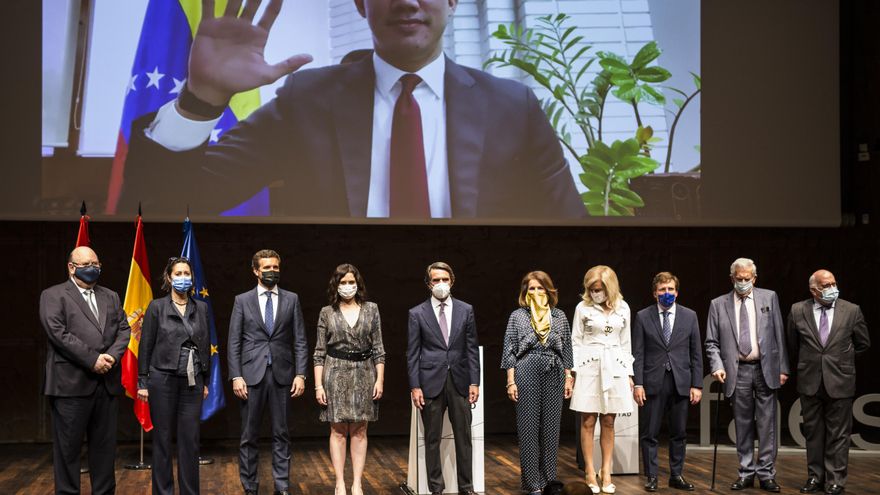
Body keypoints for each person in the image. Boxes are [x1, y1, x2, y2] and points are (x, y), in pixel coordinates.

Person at [121, 0, 585, 219]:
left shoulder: (513, 108)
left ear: (452, 1)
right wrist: (200, 99)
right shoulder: (307, 101)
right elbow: (167, 204)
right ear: (361, 4)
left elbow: (570, 233)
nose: (406, 2)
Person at [39, 246, 131, 495]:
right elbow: (58, 334)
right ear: (72, 267)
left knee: (104, 450)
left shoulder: (110, 296)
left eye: (97, 263)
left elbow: (124, 329)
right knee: (68, 451)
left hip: (107, 384)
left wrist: (110, 356)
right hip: (70, 386)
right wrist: (93, 360)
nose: (94, 268)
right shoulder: (53, 295)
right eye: (87, 263)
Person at [227, 249, 309, 495]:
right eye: (267, 268)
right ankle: (250, 486)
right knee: (249, 435)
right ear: (255, 271)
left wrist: (301, 374)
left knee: (281, 433)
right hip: (251, 376)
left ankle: (282, 486)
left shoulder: (291, 299)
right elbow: (233, 342)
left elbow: (300, 340)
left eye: (276, 267)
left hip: (283, 375)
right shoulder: (242, 300)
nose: (272, 271)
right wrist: (236, 376)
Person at [704, 258, 788, 492]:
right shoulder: (718, 304)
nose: (743, 283)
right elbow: (711, 342)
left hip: (765, 368)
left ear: (754, 278)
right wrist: (717, 365)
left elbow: (779, 334)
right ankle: (746, 471)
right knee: (742, 424)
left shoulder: (769, 297)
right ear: (732, 278)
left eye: (747, 279)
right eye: (738, 279)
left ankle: (767, 474)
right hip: (737, 369)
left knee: (767, 425)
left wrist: (783, 368)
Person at [786, 270, 870, 495]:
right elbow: (792, 346)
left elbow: (863, 344)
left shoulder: (851, 310)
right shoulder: (797, 310)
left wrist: (842, 361)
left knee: (839, 434)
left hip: (840, 380)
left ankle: (836, 480)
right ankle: (815, 477)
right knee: (813, 433)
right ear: (814, 290)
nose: (832, 287)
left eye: (834, 283)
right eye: (826, 285)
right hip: (810, 380)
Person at [137, 257, 210, 495]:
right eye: (177, 273)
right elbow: (145, 345)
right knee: (163, 439)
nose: (182, 278)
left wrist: (205, 380)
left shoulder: (201, 307)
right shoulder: (157, 307)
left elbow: (206, 343)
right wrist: (143, 381)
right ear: (169, 278)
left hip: (192, 381)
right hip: (162, 380)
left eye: (186, 273)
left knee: (190, 441)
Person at [407, 262, 480, 495]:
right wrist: (415, 385)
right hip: (430, 382)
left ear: (452, 281)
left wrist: (474, 381)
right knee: (432, 439)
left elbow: (471, 349)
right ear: (428, 284)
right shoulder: (417, 313)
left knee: (464, 437)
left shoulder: (465, 309)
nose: (441, 284)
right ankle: (435, 488)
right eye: (436, 280)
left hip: (460, 380)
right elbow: (412, 352)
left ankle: (466, 487)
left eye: (445, 279)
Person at [314, 264, 386, 495]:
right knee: (337, 430)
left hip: (364, 373)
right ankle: (340, 483)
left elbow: (379, 349)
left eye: (351, 282)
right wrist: (318, 385)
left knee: (360, 429)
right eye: (343, 283)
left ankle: (356, 483)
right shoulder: (327, 312)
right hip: (335, 373)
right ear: (336, 285)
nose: (348, 287)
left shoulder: (371, 309)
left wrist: (380, 380)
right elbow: (319, 352)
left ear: (358, 284)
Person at [501, 271, 573, 495]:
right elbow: (509, 350)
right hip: (526, 371)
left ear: (548, 290)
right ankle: (532, 484)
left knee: (551, 430)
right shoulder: (518, 316)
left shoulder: (559, 315)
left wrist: (569, 377)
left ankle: (549, 481)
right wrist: (511, 381)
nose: (536, 292)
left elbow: (567, 350)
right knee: (528, 429)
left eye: (540, 288)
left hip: (555, 371)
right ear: (525, 292)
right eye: (531, 288)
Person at [632, 272, 702, 492]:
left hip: (681, 381)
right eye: (662, 290)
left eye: (670, 289)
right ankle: (652, 476)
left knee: (679, 432)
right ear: (655, 293)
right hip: (653, 381)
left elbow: (696, 353)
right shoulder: (643, 316)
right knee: (650, 432)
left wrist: (697, 384)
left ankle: (676, 475)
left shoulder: (690, 316)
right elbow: (638, 353)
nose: (667, 293)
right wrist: (638, 383)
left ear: (677, 292)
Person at [569, 266, 633, 495]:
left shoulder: (623, 307)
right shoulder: (582, 307)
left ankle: (606, 471)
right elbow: (575, 341)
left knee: (608, 421)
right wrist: (572, 373)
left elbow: (626, 343)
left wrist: (629, 374)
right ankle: (589, 469)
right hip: (589, 367)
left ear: (610, 288)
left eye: (599, 289)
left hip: (615, 366)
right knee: (587, 421)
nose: (595, 293)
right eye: (592, 289)